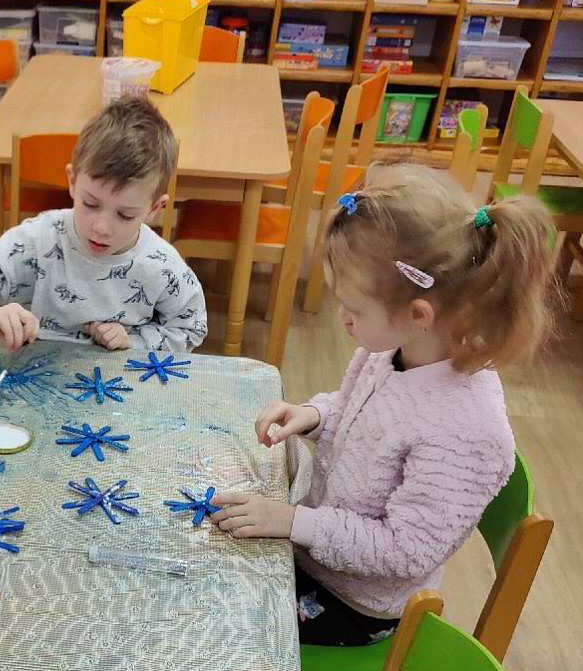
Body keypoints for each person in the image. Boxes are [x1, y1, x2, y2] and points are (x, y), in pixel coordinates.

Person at [212, 164, 557, 645]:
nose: (342, 319)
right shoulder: (395, 349)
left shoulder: (468, 432)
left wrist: (291, 521)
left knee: (211, 620)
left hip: (357, 603)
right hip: (315, 549)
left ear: (418, 314)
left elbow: (405, 551)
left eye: (353, 309)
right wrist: (316, 415)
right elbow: (361, 412)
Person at [0, 94, 206, 355]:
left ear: (154, 209)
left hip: (120, 378)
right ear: (72, 181)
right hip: (35, 370)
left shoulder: (162, 266)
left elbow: (191, 328)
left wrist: (134, 342)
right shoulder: (40, 238)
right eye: (91, 204)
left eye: (125, 215)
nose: (101, 227)